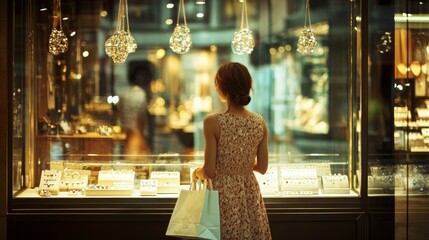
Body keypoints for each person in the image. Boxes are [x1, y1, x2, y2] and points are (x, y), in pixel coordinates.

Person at [192, 62, 271, 239]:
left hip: (222, 195)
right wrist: (241, 166)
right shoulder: (259, 122)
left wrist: (196, 173)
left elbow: (209, 171)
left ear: (221, 87)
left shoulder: (213, 122)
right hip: (249, 192)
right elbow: (263, 168)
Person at [119, 63, 152, 155]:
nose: (143, 79)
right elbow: (140, 117)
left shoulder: (125, 93)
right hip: (136, 132)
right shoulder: (140, 93)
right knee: (137, 157)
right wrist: (141, 135)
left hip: (128, 132)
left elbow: (120, 113)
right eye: (141, 76)